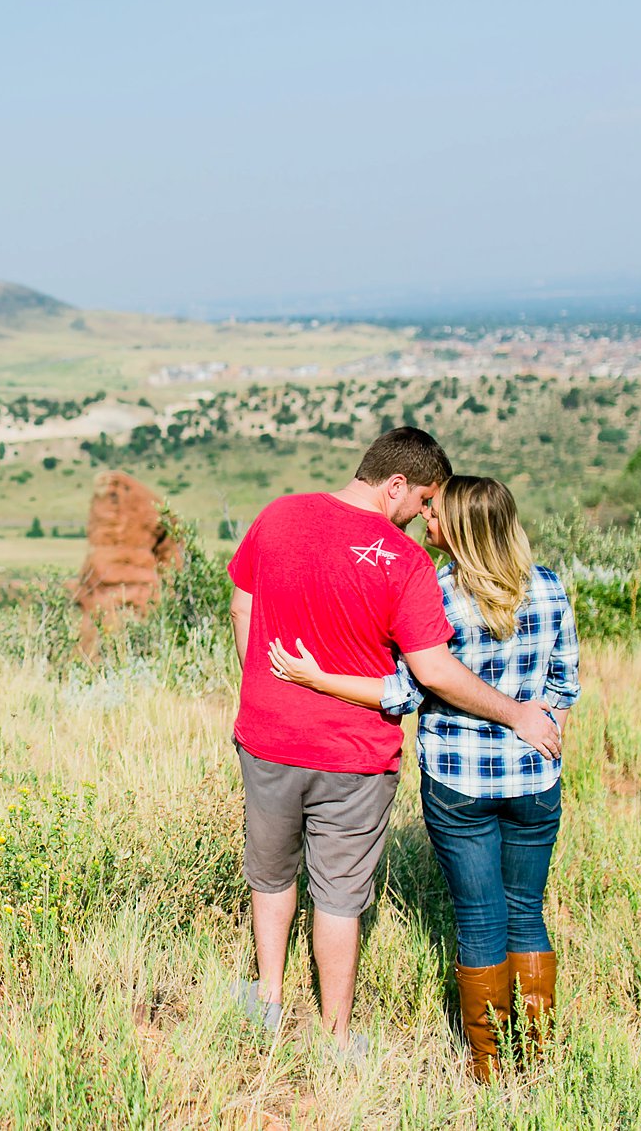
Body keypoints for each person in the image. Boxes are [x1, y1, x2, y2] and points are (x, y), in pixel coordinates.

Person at [227, 429, 561, 1052]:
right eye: (424, 501)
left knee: (270, 875)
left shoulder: (278, 516)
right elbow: (431, 671)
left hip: (268, 735)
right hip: (357, 754)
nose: (424, 517)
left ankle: (267, 999)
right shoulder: (405, 563)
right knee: (341, 894)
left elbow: (242, 597)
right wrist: (517, 714)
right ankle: (336, 1033)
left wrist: (262, 681)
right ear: (397, 485)